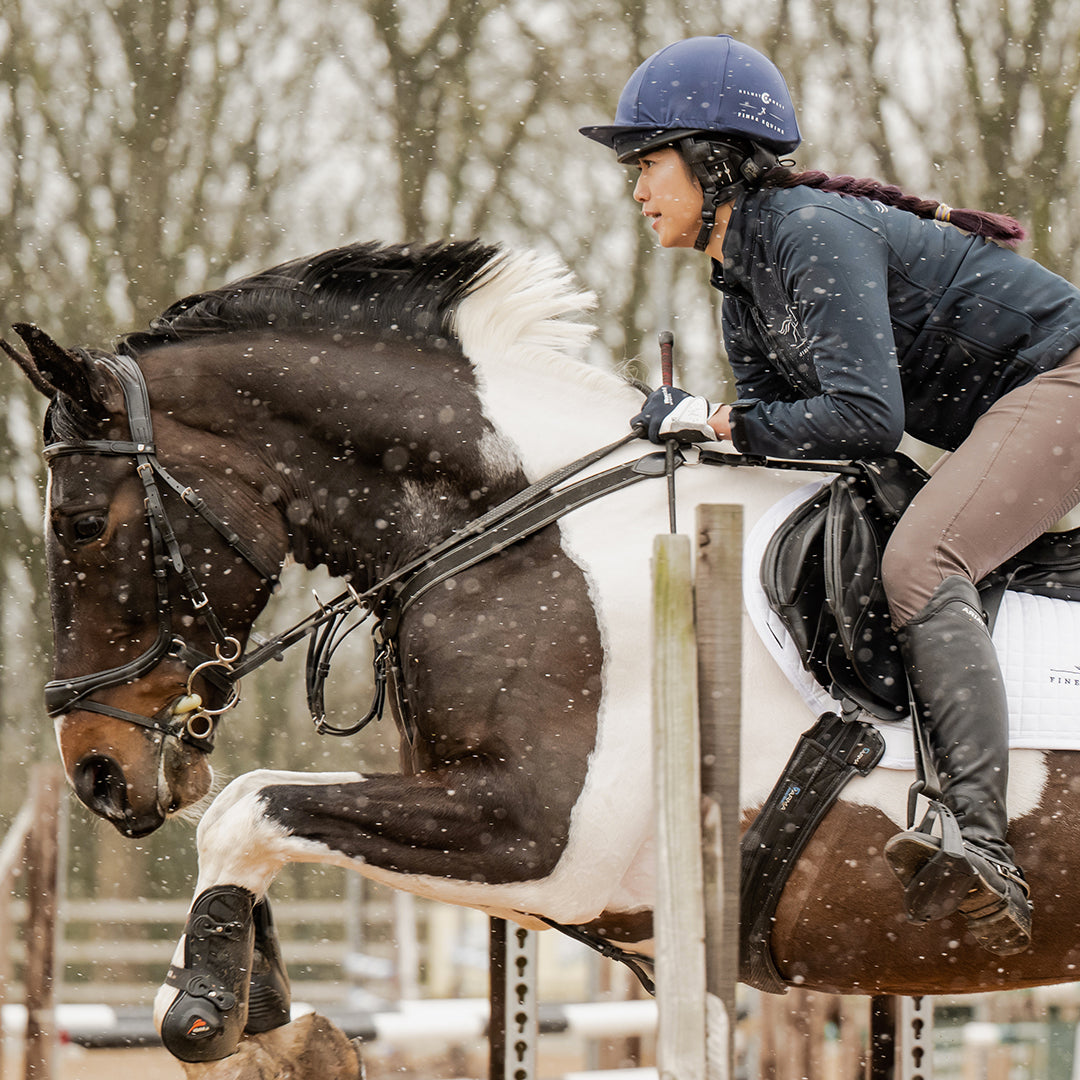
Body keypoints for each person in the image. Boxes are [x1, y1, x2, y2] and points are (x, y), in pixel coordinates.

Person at [582, 33, 1080, 957]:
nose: (639, 192)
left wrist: (716, 422)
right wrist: (699, 437)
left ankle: (982, 841)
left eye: (648, 165)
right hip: (1017, 406)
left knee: (923, 561)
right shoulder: (743, 280)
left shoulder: (809, 231)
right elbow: (795, 448)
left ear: (712, 158)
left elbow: (859, 419)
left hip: (1067, 383)